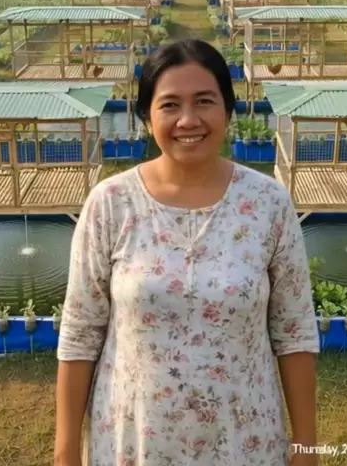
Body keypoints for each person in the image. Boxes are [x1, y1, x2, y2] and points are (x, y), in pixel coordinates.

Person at [54, 39, 320, 466]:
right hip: (133, 442)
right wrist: (65, 454)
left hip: (245, 442)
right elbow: (80, 335)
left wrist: (307, 448)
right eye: (170, 105)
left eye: (204, 101)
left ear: (228, 111)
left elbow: (294, 332)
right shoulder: (111, 204)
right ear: (146, 116)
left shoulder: (268, 203)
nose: (188, 120)